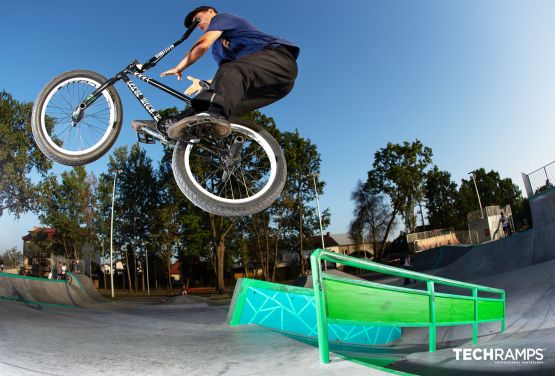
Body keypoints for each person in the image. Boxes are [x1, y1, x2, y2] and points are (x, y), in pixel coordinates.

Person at [153, 5, 299, 140]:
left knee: (219, 100)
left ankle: (216, 116)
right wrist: (205, 83)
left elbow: (203, 44)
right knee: (207, 103)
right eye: (196, 25)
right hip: (270, 88)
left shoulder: (223, 18)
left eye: (198, 19)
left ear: (210, 11)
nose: (198, 25)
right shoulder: (218, 49)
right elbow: (227, 79)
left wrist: (180, 67)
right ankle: (170, 127)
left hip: (278, 61)